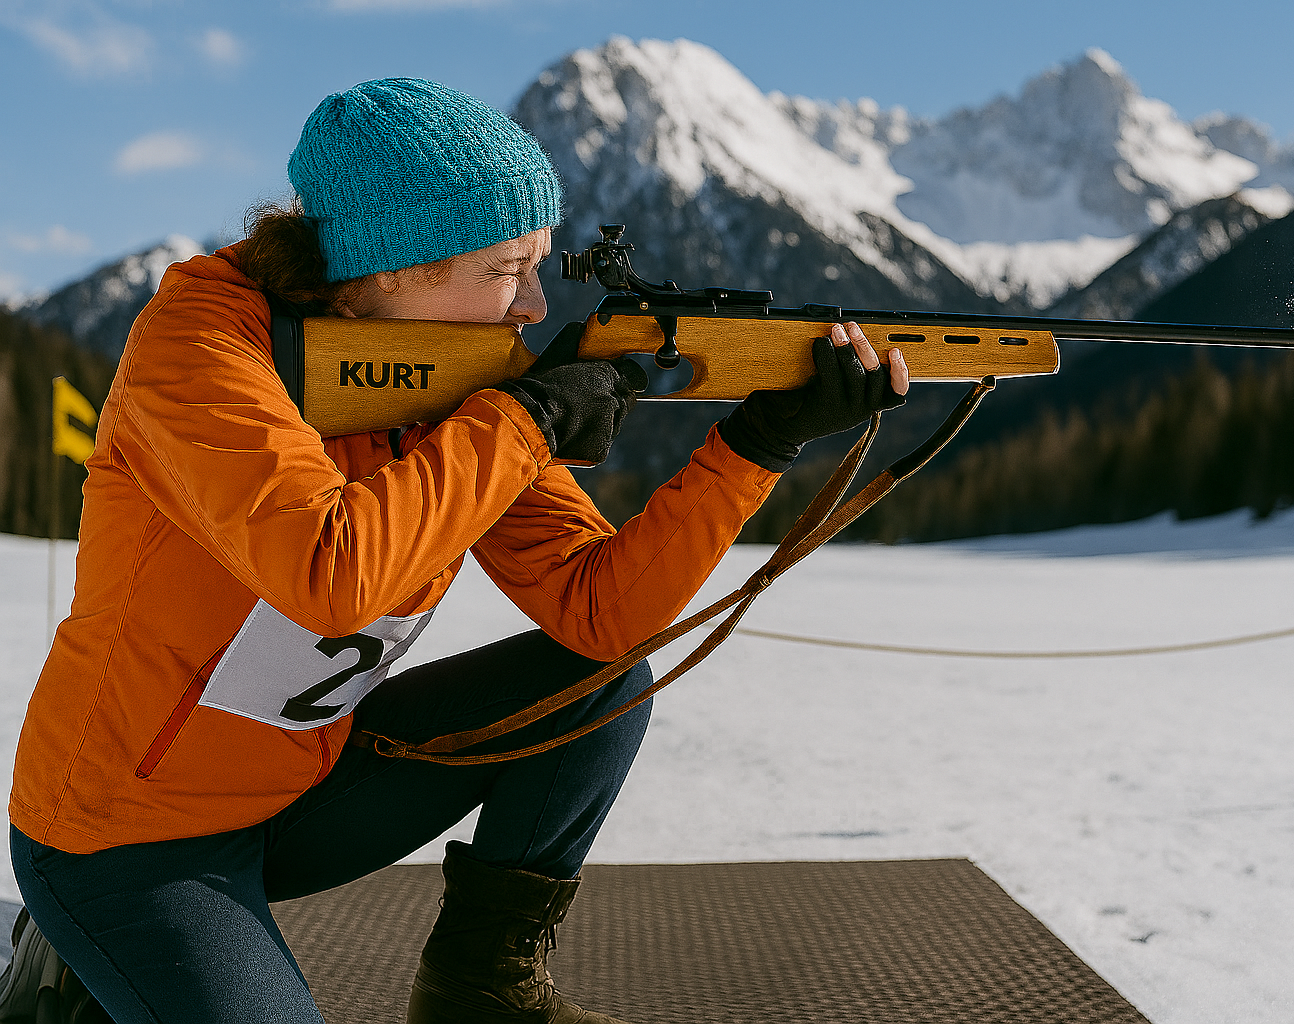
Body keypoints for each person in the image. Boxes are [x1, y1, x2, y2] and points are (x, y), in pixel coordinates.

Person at [1, 78, 907, 1024]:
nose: (528, 309)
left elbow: (608, 614)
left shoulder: (451, 363)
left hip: (306, 787)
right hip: (126, 836)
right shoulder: (197, 355)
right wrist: (523, 421)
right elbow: (331, 576)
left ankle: (482, 990)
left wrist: (754, 448)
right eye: (502, 269)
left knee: (605, 681)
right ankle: (67, 952)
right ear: (383, 266)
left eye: (540, 266)